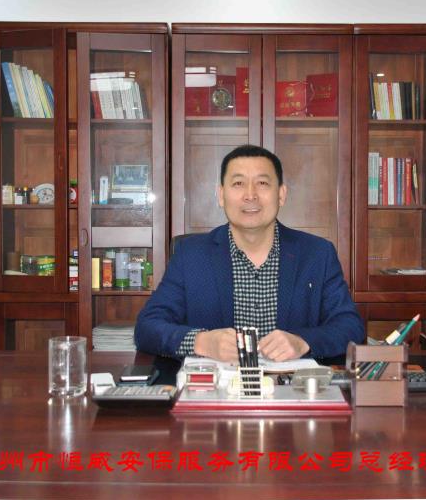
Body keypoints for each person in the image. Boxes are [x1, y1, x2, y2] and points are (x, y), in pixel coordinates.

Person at [134, 145, 364, 362]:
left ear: (281, 194)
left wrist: (303, 341)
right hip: (218, 386)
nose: (250, 195)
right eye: (238, 184)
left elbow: (350, 326)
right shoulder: (190, 256)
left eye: (262, 183)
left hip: (290, 384)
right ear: (221, 195)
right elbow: (147, 327)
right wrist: (202, 342)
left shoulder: (317, 254)